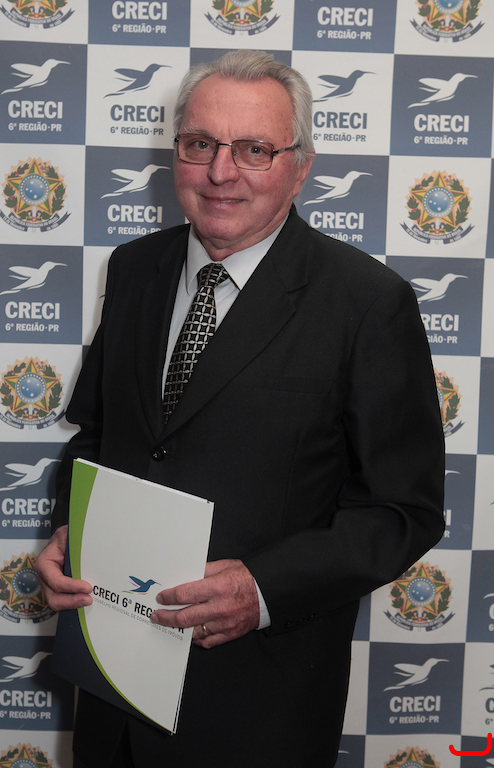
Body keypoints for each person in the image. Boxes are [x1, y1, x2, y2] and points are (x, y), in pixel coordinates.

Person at [35, 50, 445, 768]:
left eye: (254, 149)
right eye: (200, 144)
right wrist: (73, 527)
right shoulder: (133, 269)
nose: (221, 172)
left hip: (258, 706)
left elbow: (401, 510)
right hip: (110, 684)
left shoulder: (366, 303)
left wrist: (262, 589)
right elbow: (97, 437)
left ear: (301, 166)